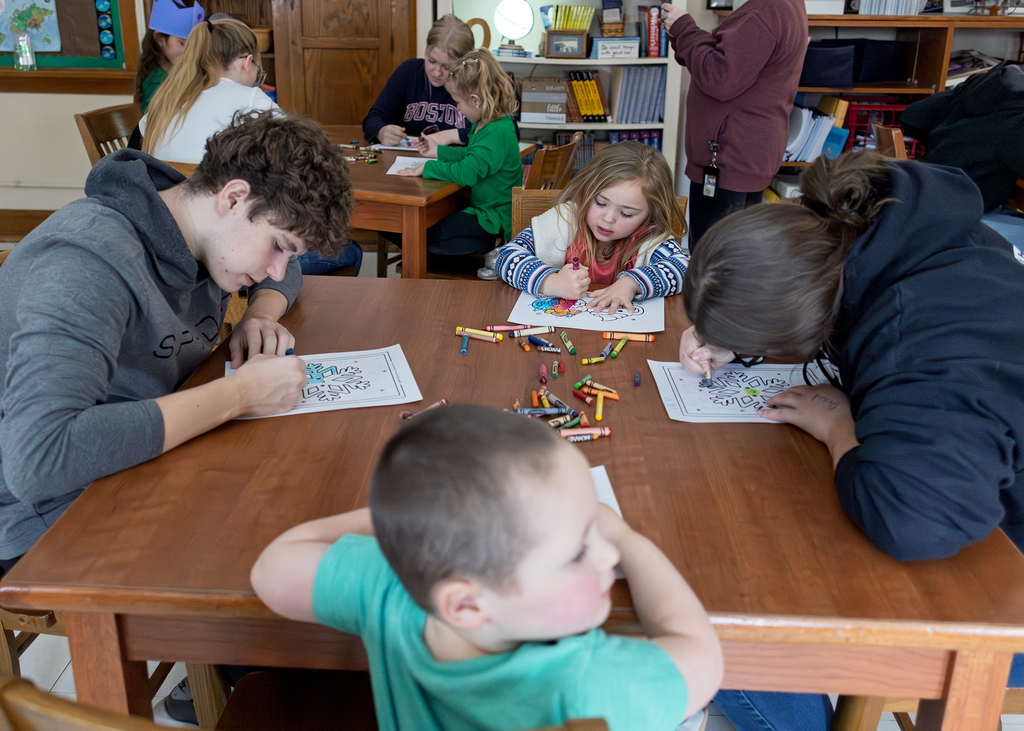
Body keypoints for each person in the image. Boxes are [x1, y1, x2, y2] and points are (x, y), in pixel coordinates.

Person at [678, 152, 1024, 731]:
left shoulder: (922, 341)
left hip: (996, 586)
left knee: (718, 629)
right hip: (976, 488)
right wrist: (734, 338)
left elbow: (914, 520)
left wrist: (840, 428)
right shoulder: (873, 236)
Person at [0, 110, 354, 570]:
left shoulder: (199, 228)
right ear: (233, 197)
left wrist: (261, 313)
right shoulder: (85, 262)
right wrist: (239, 394)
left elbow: (288, 269)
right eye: (279, 246)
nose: (277, 269)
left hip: (140, 458)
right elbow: (41, 459)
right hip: (45, 513)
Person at [250, 405, 723, 731]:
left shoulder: (390, 590)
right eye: (578, 551)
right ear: (467, 604)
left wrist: (413, 525)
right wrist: (628, 538)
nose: (607, 555)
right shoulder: (588, 683)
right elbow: (699, 652)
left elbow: (274, 569)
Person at [660, 0, 807, 250]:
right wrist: (684, 33)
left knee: (710, 258)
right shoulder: (785, 6)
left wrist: (684, 28)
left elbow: (718, 77)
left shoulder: (763, 11)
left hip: (728, 156)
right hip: (745, 153)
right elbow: (731, 60)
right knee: (732, 255)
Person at [495, 141, 689, 313]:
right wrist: (550, 282)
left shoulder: (648, 236)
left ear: (649, 214)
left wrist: (633, 283)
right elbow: (506, 256)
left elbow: (685, 268)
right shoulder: (564, 220)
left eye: (626, 214)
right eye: (601, 203)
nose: (609, 218)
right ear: (587, 190)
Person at [397, 49, 521, 265]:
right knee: (429, 234)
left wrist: (427, 168)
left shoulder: (495, 132)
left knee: (435, 239)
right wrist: (438, 152)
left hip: (495, 216)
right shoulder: (488, 124)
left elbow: (467, 173)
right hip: (485, 208)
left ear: (474, 100)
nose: (457, 108)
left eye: (458, 102)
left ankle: (497, 244)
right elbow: (470, 155)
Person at [140, 18, 276, 164]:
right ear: (247, 62)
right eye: (259, 78)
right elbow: (294, 149)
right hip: (219, 185)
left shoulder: (165, 98)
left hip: (162, 186)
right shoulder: (251, 97)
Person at [900, 61, 1024, 213]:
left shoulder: (989, 80)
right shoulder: (1017, 119)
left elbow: (912, 115)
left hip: (923, 191)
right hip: (961, 213)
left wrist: (945, 145)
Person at [362, 14, 474, 148]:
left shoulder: (476, 83)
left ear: (464, 63)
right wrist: (381, 131)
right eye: (431, 61)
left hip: (459, 164)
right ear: (426, 51)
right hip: (407, 162)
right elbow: (375, 117)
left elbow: (496, 133)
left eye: (447, 67)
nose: (437, 72)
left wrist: (451, 136)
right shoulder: (409, 72)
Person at [135, 0, 206, 115]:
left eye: (192, 45)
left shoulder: (181, 69)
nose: (189, 52)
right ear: (160, 38)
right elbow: (153, 124)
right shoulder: (155, 82)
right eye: (182, 44)